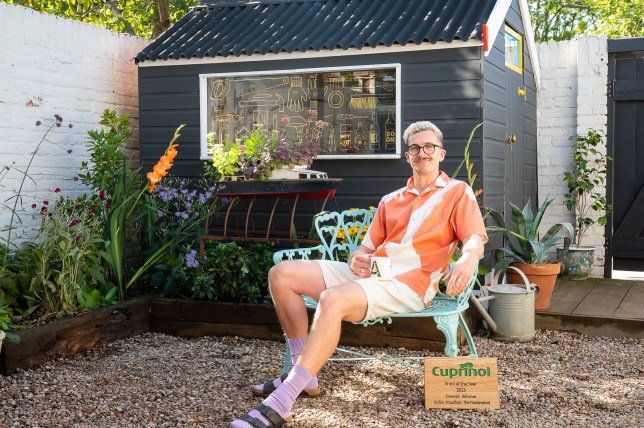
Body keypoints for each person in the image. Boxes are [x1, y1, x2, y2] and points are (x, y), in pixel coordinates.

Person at [230, 120, 488, 428]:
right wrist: (357, 260)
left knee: (332, 300)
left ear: (441, 153)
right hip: (373, 276)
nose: (423, 153)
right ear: (408, 156)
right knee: (281, 274)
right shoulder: (390, 200)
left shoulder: (457, 192)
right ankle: (303, 374)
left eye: (429, 147)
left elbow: (474, 237)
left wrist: (469, 257)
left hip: (410, 284)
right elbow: (362, 250)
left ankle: (282, 402)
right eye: (415, 148)